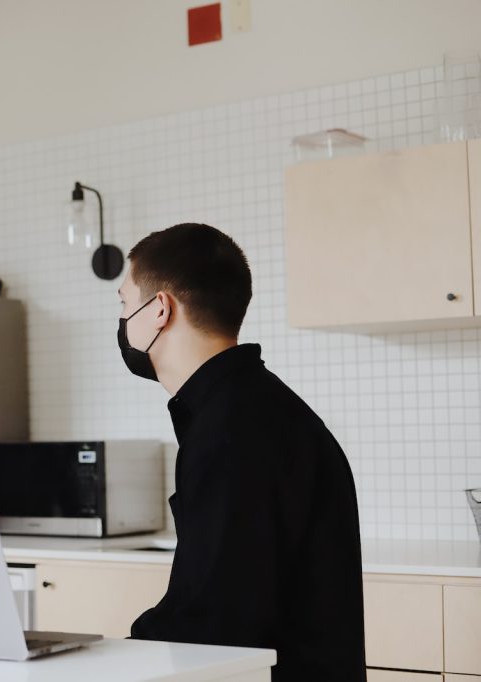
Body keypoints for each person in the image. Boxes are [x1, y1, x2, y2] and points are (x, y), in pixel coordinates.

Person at [119, 224, 366, 680]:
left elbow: (213, 618)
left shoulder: (232, 429)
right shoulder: (253, 407)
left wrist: (111, 657)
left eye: (123, 303)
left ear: (159, 309)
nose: (121, 321)